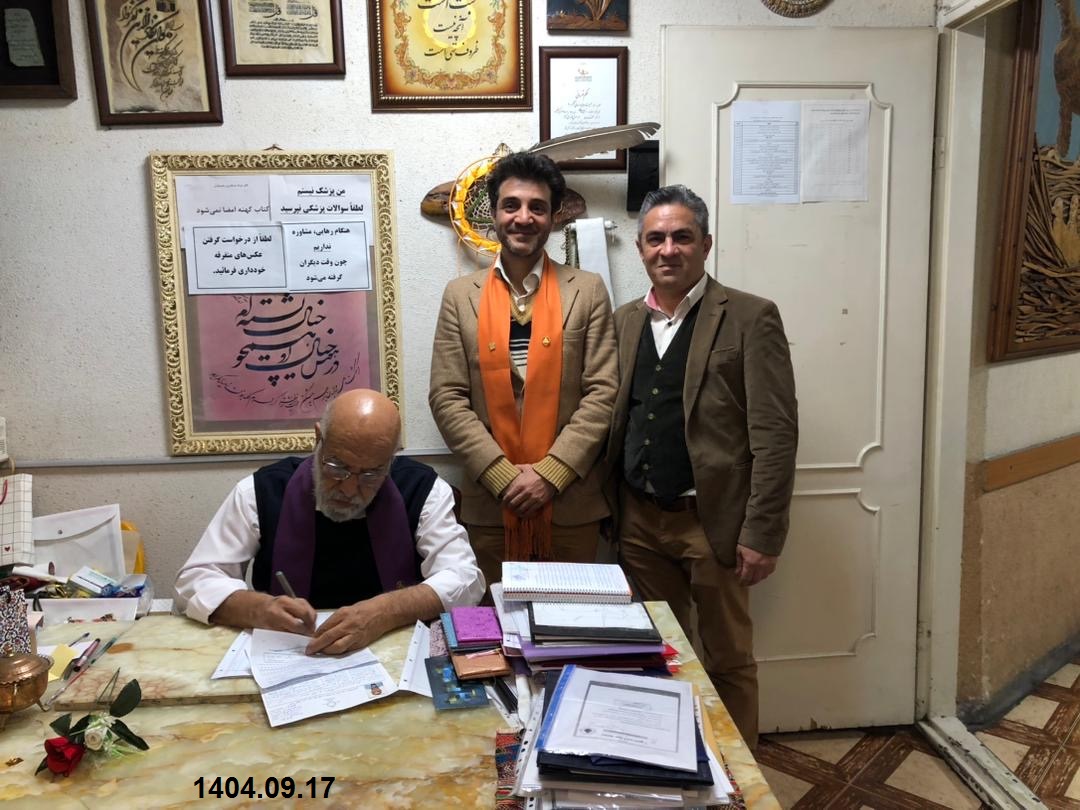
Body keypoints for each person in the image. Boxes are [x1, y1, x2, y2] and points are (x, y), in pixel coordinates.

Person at [608, 185, 798, 748]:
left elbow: (776, 433)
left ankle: (740, 779)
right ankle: (676, 762)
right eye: (656, 239)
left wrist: (762, 532)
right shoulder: (624, 321)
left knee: (728, 659)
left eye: (682, 237)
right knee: (657, 653)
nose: (668, 250)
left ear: (706, 244)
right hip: (639, 524)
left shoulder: (750, 317)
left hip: (715, 524)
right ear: (640, 249)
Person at [429, 152, 618, 591]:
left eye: (537, 207)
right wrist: (502, 475)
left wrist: (550, 474)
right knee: (496, 625)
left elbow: (603, 393)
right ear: (494, 214)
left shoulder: (587, 290)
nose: (524, 218)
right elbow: (446, 397)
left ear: (553, 216)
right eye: (511, 205)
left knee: (569, 624)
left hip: (570, 505)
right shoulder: (460, 296)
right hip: (491, 506)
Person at [174, 389, 484, 655]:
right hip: (289, 655)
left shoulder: (422, 490)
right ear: (318, 439)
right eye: (337, 466)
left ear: (392, 457)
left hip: (394, 657)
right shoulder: (261, 491)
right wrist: (258, 609)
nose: (349, 488)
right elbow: (195, 580)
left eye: (371, 474)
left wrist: (386, 611)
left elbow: (465, 579)